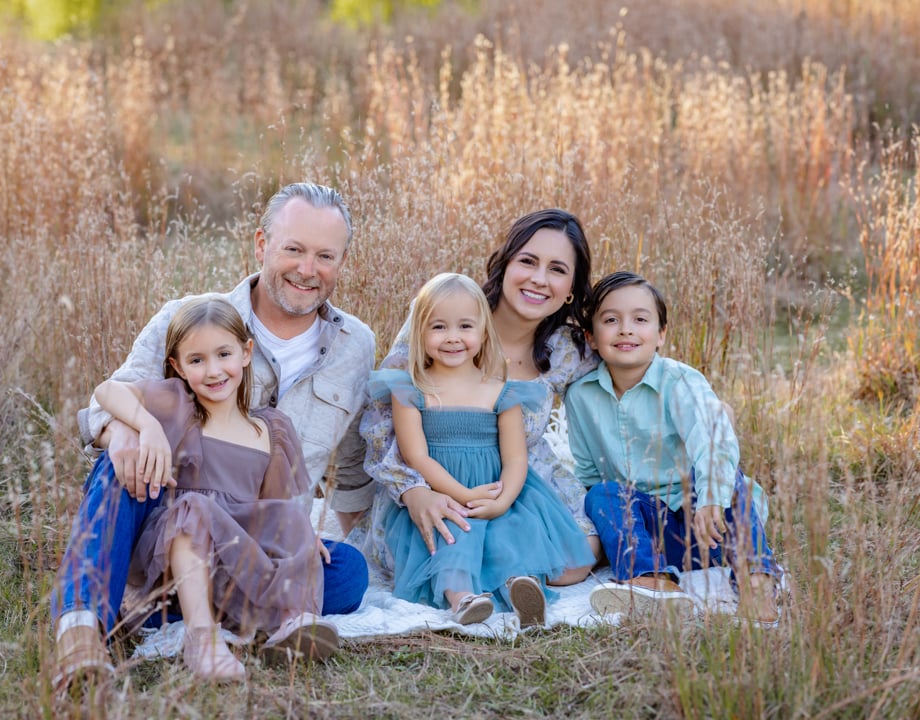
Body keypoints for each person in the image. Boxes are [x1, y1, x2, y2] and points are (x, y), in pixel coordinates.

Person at [52, 182, 375, 688]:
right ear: (261, 244)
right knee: (125, 461)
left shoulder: (357, 345)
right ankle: (81, 630)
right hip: (170, 522)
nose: (307, 269)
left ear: (342, 260)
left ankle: (169, 605)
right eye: (293, 249)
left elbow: (351, 461)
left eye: (324, 255)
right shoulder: (190, 317)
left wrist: (302, 534)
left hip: (252, 537)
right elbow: (106, 401)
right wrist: (128, 432)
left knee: (349, 572)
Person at [93, 297, 335, 682]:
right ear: (177, 366)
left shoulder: (271, 429)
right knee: (194, 509)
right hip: (179, 555)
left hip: (238, 556)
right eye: (196, 360)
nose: (213, 370)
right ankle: (201, 640)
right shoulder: (178, 409)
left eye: (224, 354)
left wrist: (300, 537)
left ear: (246, 352)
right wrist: (148, 425)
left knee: (303, 526)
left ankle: (293, 622)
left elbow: (275, 508)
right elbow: (108, 391)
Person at [357, 209, 603, 585]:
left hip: (517, 479)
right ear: (504, 264)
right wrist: (413, 492)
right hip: (433, 478)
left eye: (556, 269)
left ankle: (508, 572)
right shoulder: (448, 314)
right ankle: (492, 576)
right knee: (446, 543)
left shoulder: (568, 349)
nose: (539, 279)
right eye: (528, 261)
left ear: (571, 287)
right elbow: (380, 423)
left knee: (580, 556)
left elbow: (629, 372)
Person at [371, 273, 594, 626]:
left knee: (512, 531)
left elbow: (516, 457)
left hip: (495, 489)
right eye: (439, 327)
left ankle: (521, 590)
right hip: (439, 492)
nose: (453, 338)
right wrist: (460, 495)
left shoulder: (503, 391)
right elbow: (416, 456)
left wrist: (502, 500)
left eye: (465, 326)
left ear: (484, 332)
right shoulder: (410, 389)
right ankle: (462, 599)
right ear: (419, 333)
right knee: (453, 533)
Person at [564, 271, 781, 625]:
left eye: (640, 319)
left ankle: (755, 578)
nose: (626, 329)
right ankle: (648, 580)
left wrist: (711, 496)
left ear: (661, 333)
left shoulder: (680, 381)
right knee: (601, 493)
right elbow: (589, 470)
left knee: (729, 478)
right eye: (610, 320)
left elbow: (714, 438)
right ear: (590, 336)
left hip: (710, 525)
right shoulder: (581, 395)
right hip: (647, 533)